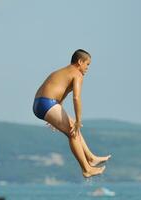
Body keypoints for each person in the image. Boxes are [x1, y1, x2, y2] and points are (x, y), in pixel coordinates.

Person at [33, 49, 111, 178]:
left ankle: (91, 158)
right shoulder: (77, 74)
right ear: (80, 62)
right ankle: (86, 169)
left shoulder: (62, 72)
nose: (87, 68)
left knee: (73, 127)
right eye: (87, 64)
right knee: (73, 132)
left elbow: (58, 92)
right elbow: (76, 98)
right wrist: (79, 120)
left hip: (41, 103)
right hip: (48, 104)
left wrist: (54, 114)